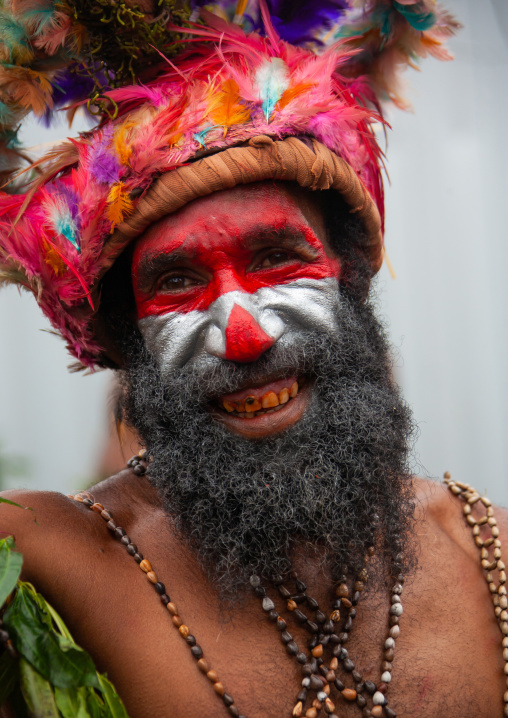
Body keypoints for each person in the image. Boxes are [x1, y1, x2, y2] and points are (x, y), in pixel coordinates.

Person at [0, 2, 506, 716]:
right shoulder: (57, 562)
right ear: (129, 339)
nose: (245, 336)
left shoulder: (491, 558)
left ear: (347, 277)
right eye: (176, 281)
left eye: (275, 258)